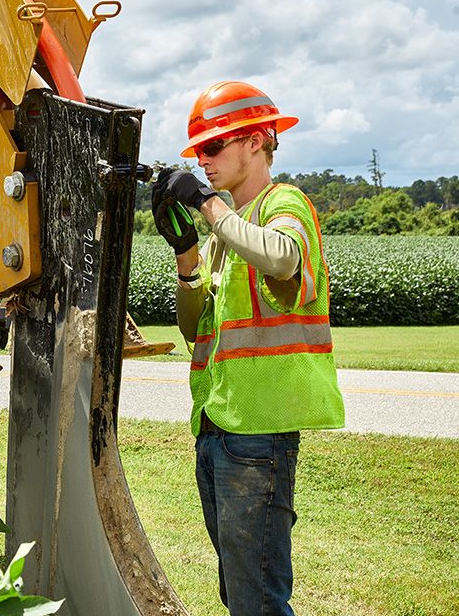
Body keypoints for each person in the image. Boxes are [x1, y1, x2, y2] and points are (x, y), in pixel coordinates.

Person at [151, 80, 344, 616]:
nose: (204, 163)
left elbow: (282, 259)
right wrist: (188, 255)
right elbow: (195, 330)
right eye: (199, 154)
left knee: (256, 597)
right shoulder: (223, 236)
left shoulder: (284, 204)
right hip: (218, 426)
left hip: (258, 432)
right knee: (240, 589)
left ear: (257, 140)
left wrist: (208, 205)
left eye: (213, 148)